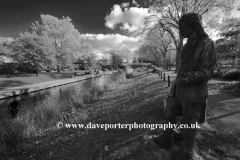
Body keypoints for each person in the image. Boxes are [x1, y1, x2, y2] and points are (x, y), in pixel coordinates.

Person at [151, 13, 216, 160]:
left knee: (189, 122)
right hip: (179, 89)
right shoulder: (187, 45)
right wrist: (174, 87)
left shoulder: (207, 43)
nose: (180, 31)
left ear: (194, 26)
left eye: (183, 27)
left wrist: (192, 77)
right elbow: (182, 68)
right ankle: (166, 138)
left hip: (193, 92)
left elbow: (208, 71)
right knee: (168, 113)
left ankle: (187, 151)